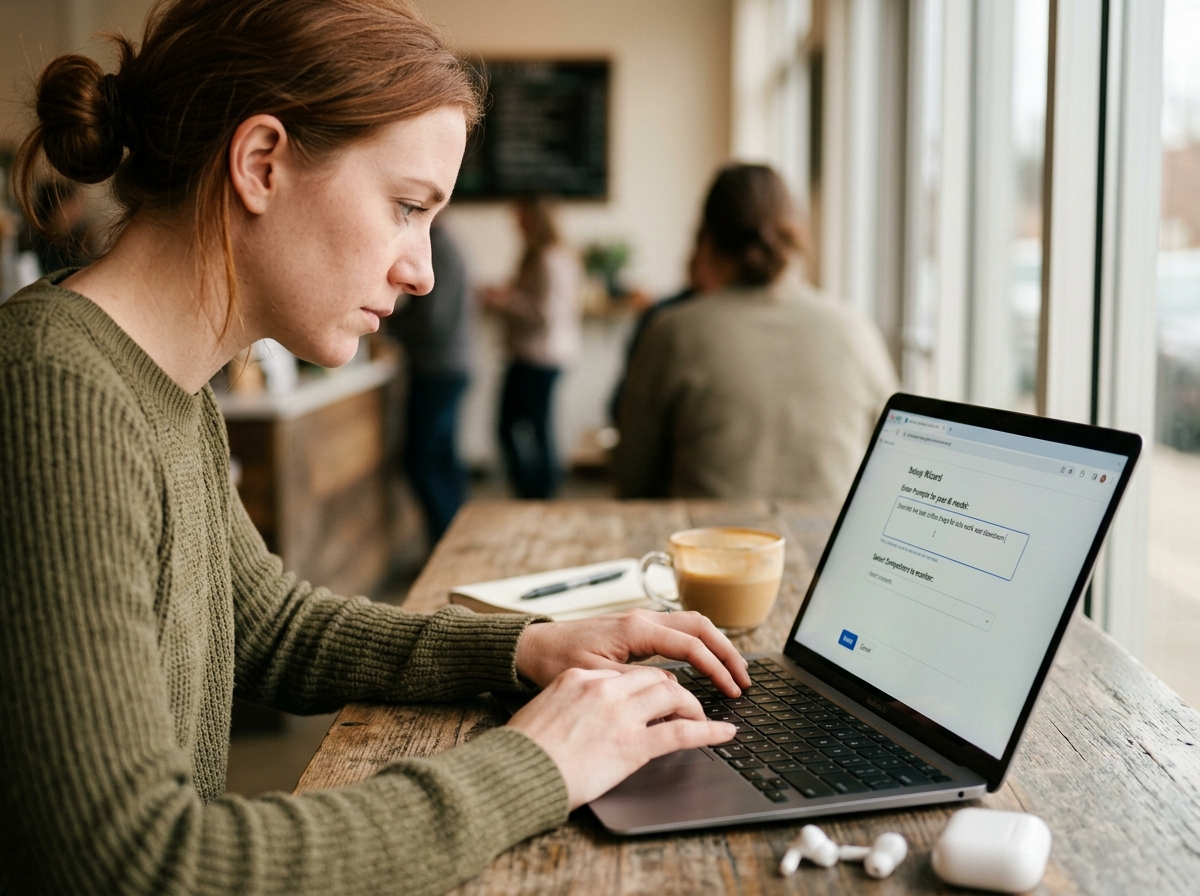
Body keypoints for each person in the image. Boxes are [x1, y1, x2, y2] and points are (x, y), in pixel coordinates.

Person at [0, 3, 749, 893]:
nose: (424, 270)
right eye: (405, 207)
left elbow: (267, 626)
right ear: (261, 164)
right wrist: (542, 762)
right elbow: (138, 861)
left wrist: (522, 648)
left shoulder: (168, 384)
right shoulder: (53, 387)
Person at [613, 163, 899, 501]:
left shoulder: (673, 332)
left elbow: (633, 479)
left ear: (708, 240)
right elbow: (892, 466)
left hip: (709, 548)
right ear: (793, 235)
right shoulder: (855, 330)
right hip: (827, 546)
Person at [482, 196, 581, 499]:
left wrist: (505, 301)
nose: (516, 223)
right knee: (536, 428)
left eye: (520, 216)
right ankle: (539, 491)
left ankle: (536, 492)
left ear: (533, 218)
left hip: (537, 357)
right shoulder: (554, 255)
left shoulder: (547, 259)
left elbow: (543, 315)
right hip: (545, 356)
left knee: (516, 428)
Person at [389, 221, 473, 543]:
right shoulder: (448, 244)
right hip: (450, 366)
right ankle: (455, 540)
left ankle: (445, 542)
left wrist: (390, 324)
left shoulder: (439, 248)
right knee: (442, 459)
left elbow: (432, 321)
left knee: (421, 461)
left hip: (439, 369)